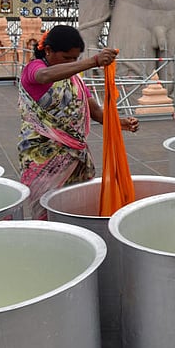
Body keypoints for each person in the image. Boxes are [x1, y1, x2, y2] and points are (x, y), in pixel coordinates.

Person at [18, 25, 139, 220]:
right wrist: (93, 62)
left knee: (74, 207)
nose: (73, 63)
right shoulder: (35, 68)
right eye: (67, 58)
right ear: (48, 50)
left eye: (75, 59)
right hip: (43, 155)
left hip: (75, 155)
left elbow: (97, 112)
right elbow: (44, 76)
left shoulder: (75, 79)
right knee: (45, 209)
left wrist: (121, 123)